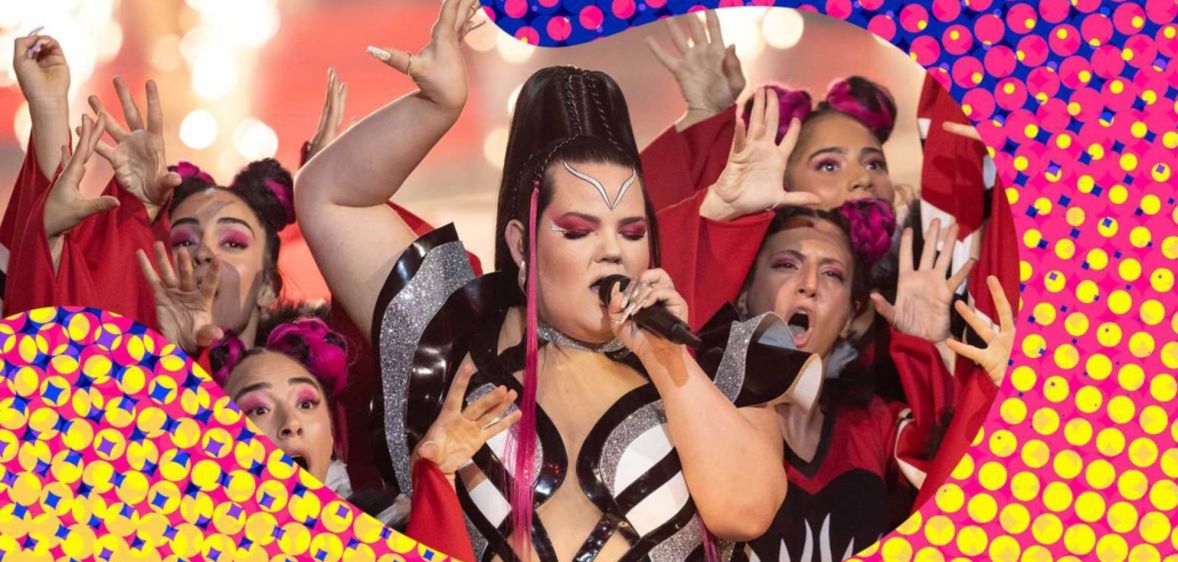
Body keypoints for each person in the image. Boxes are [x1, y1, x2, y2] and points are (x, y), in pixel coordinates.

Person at [294, 0, 817, 559]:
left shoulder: (714, 356)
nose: (612, 251)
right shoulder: (450, 338)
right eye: (578, 230)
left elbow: (747, 510)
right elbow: (331, 201)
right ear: (522, 242)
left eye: (633, 231)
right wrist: (436, 106)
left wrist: (670, 363)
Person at [716, 202, 1013, 561]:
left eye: (832, 274)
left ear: (849, 315)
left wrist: (930, 345)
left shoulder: (874, 425)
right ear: (744, 293)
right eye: (787, 265)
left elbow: (958, 482)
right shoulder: (708, 414)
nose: (809, 284)